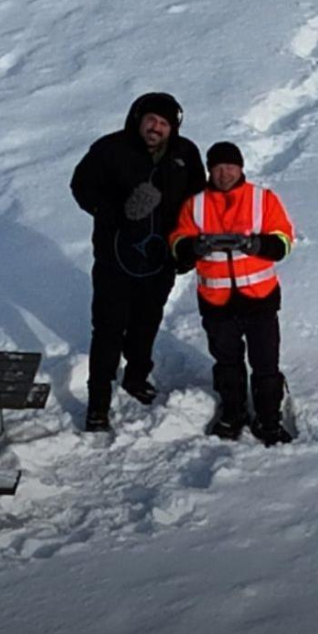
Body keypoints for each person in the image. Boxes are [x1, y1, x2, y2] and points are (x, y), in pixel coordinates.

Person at [70, 92, 206, 432]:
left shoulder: (185, 153)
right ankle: (98, 405)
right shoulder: (110, 149)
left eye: (163, 124)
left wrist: (187, 246)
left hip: (160, 258)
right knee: (108, 330)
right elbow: (81, 186)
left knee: (146, 323)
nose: (156, 128)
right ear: (137, 118)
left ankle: (135, 377)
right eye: (151, 120)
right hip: (115, 258)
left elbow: (197, 200)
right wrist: (116, 211)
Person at [170, 142, 296, 445]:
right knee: (227, 363)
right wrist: (193, 247)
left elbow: (284, 240)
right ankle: (233, 414)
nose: (224, 173)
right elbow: (177, 242)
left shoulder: (262, 199)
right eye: (217, 167)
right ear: (209, 170)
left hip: (259, 299)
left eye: (230, 166)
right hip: (217, 302)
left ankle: (268, 420)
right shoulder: (195, 204)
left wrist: (258, 245)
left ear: (241, 168)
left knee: (265, 363)